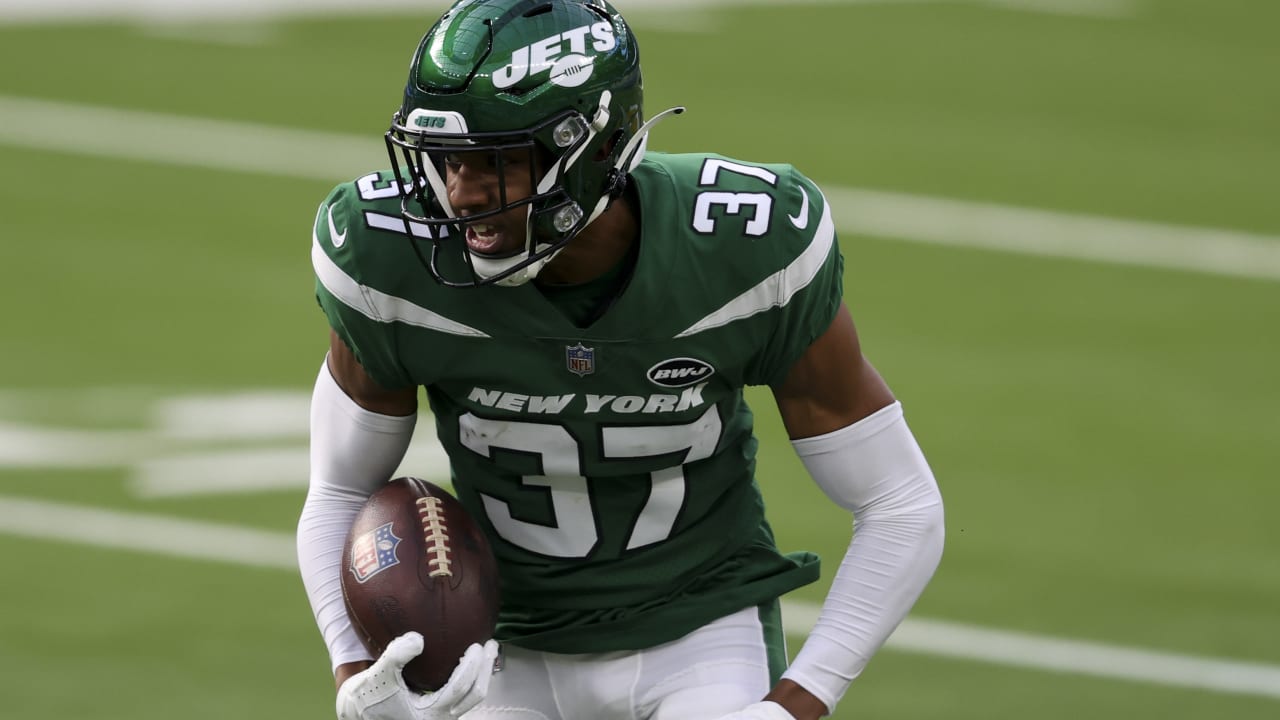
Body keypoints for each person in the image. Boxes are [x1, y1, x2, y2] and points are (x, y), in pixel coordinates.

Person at [297, 1, 945, 719]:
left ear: (594, 149)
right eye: (449, 159)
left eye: (498, 161)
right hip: (493, 655)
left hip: (699, 633)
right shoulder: (387, 259)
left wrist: (792, 707)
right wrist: (358, 676)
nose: (461, 195)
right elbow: (337, 492)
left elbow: (899, 505)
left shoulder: (741, 249)